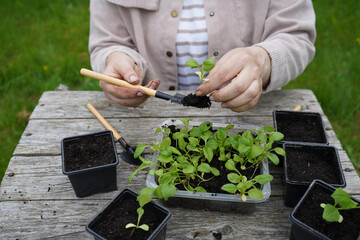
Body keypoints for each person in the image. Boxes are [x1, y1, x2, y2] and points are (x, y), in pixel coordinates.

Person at [89, 0, 316, 112]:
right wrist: (116, 58)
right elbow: (108, 43)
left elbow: (296, 36)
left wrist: (262, 60)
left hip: (250, 114)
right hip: (147, 117)